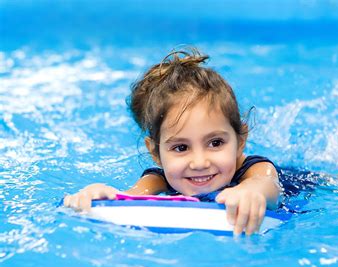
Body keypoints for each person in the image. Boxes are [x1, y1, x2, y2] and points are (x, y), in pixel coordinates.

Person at [63, 47, 282, 236]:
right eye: (181, 147)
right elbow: (130, 197)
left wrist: (249, 192)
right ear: (156, 152)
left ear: (240, 140)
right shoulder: (159, 180)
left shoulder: (255, 169)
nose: (199, 162)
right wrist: (98, 195)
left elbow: (267, 185)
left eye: (215, 143)